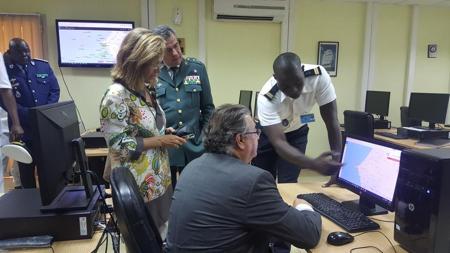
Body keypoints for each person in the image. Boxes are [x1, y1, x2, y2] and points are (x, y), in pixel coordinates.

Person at [165, 104, 322, 252]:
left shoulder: (192, 167)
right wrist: (303, 206)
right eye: (256, 132)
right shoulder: (253, 181)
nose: (259, 138)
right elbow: (309, 236)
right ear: (240, 140)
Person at [100, 28, 186, 235]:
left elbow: (145, 127)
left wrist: (165, 131)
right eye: (154, 63)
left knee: (161, 235)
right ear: (137, 61)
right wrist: (161, 140)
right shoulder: (116, 96)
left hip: (159, 180)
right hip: (139, 185)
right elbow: (118, 144)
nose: (159, 67)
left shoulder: (145, 88)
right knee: (144, 240)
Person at [253, 52, 342, 185]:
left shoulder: (318, 77)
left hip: (297, 132)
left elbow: (332, 121)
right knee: (263, 182)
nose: (294, 90)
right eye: (286, 86)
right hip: (269, 135)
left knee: (289, 183)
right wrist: (313, 164)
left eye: (298, 82)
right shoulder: (267, 97)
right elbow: (279, 142)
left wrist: (336, 164)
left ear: (302, 70)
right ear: (276, 78)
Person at [151, 25, 215, 188]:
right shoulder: (152, 73)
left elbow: (208, 108)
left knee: (195, 193)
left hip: (194, 146)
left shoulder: (196, 68)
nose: (176, 53)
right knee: (168, 196)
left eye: (176, 46)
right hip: (166, 148)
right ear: (159, 53)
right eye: (168, 50)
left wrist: (204, 138)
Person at [2, 38, 60, 188]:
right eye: (21, 53)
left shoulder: (42, 66)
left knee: (47, 171)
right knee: (26, 173)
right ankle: (29, 204)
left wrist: (44, 112)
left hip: (45, 128)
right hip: (22, 129)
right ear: (10, 53)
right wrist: (29, 114)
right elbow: (4, 99)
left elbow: (54, 91)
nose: (26, 55)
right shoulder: (5, 70)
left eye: (27, 50)